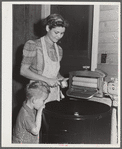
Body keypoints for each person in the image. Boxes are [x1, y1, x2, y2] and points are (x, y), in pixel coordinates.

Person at [20, 14, 69, 103]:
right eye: (56, 32)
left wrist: (61, 78)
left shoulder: (59, 49)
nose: (59, 36)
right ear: (47, 28)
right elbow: (23, 71)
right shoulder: (33, 45)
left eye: (62, 33)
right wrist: (47, 80)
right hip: (37, 94)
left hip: (54, 94)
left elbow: (54, 72)